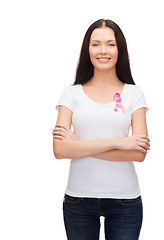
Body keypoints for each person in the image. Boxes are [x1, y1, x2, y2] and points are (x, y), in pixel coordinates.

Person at [52, 18, 150, 240]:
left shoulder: (135, 94)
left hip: (125, 201)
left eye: (110, 44)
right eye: (95, 44)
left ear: (119, 49)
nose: (102, 50)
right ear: (87, 49)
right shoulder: (71, 93)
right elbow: (59, 150)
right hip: (78, 200)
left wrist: (77, 146)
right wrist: (118, 142)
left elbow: (138, 153)